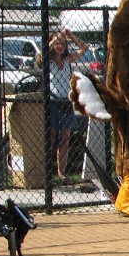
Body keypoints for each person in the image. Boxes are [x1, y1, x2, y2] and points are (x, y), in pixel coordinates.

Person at [40, 28, 88, 184]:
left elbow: (84, 48)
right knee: (52, 137)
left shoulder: (68, 60)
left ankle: (62, 173)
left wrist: (71, 36)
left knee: (65, 138)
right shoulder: (48, 60)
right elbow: (43, 52)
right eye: (57, 43)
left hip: (65, 102)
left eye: (62, 43)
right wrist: (56, 38)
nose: (60, 46)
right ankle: (48, 172)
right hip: (53, 102)